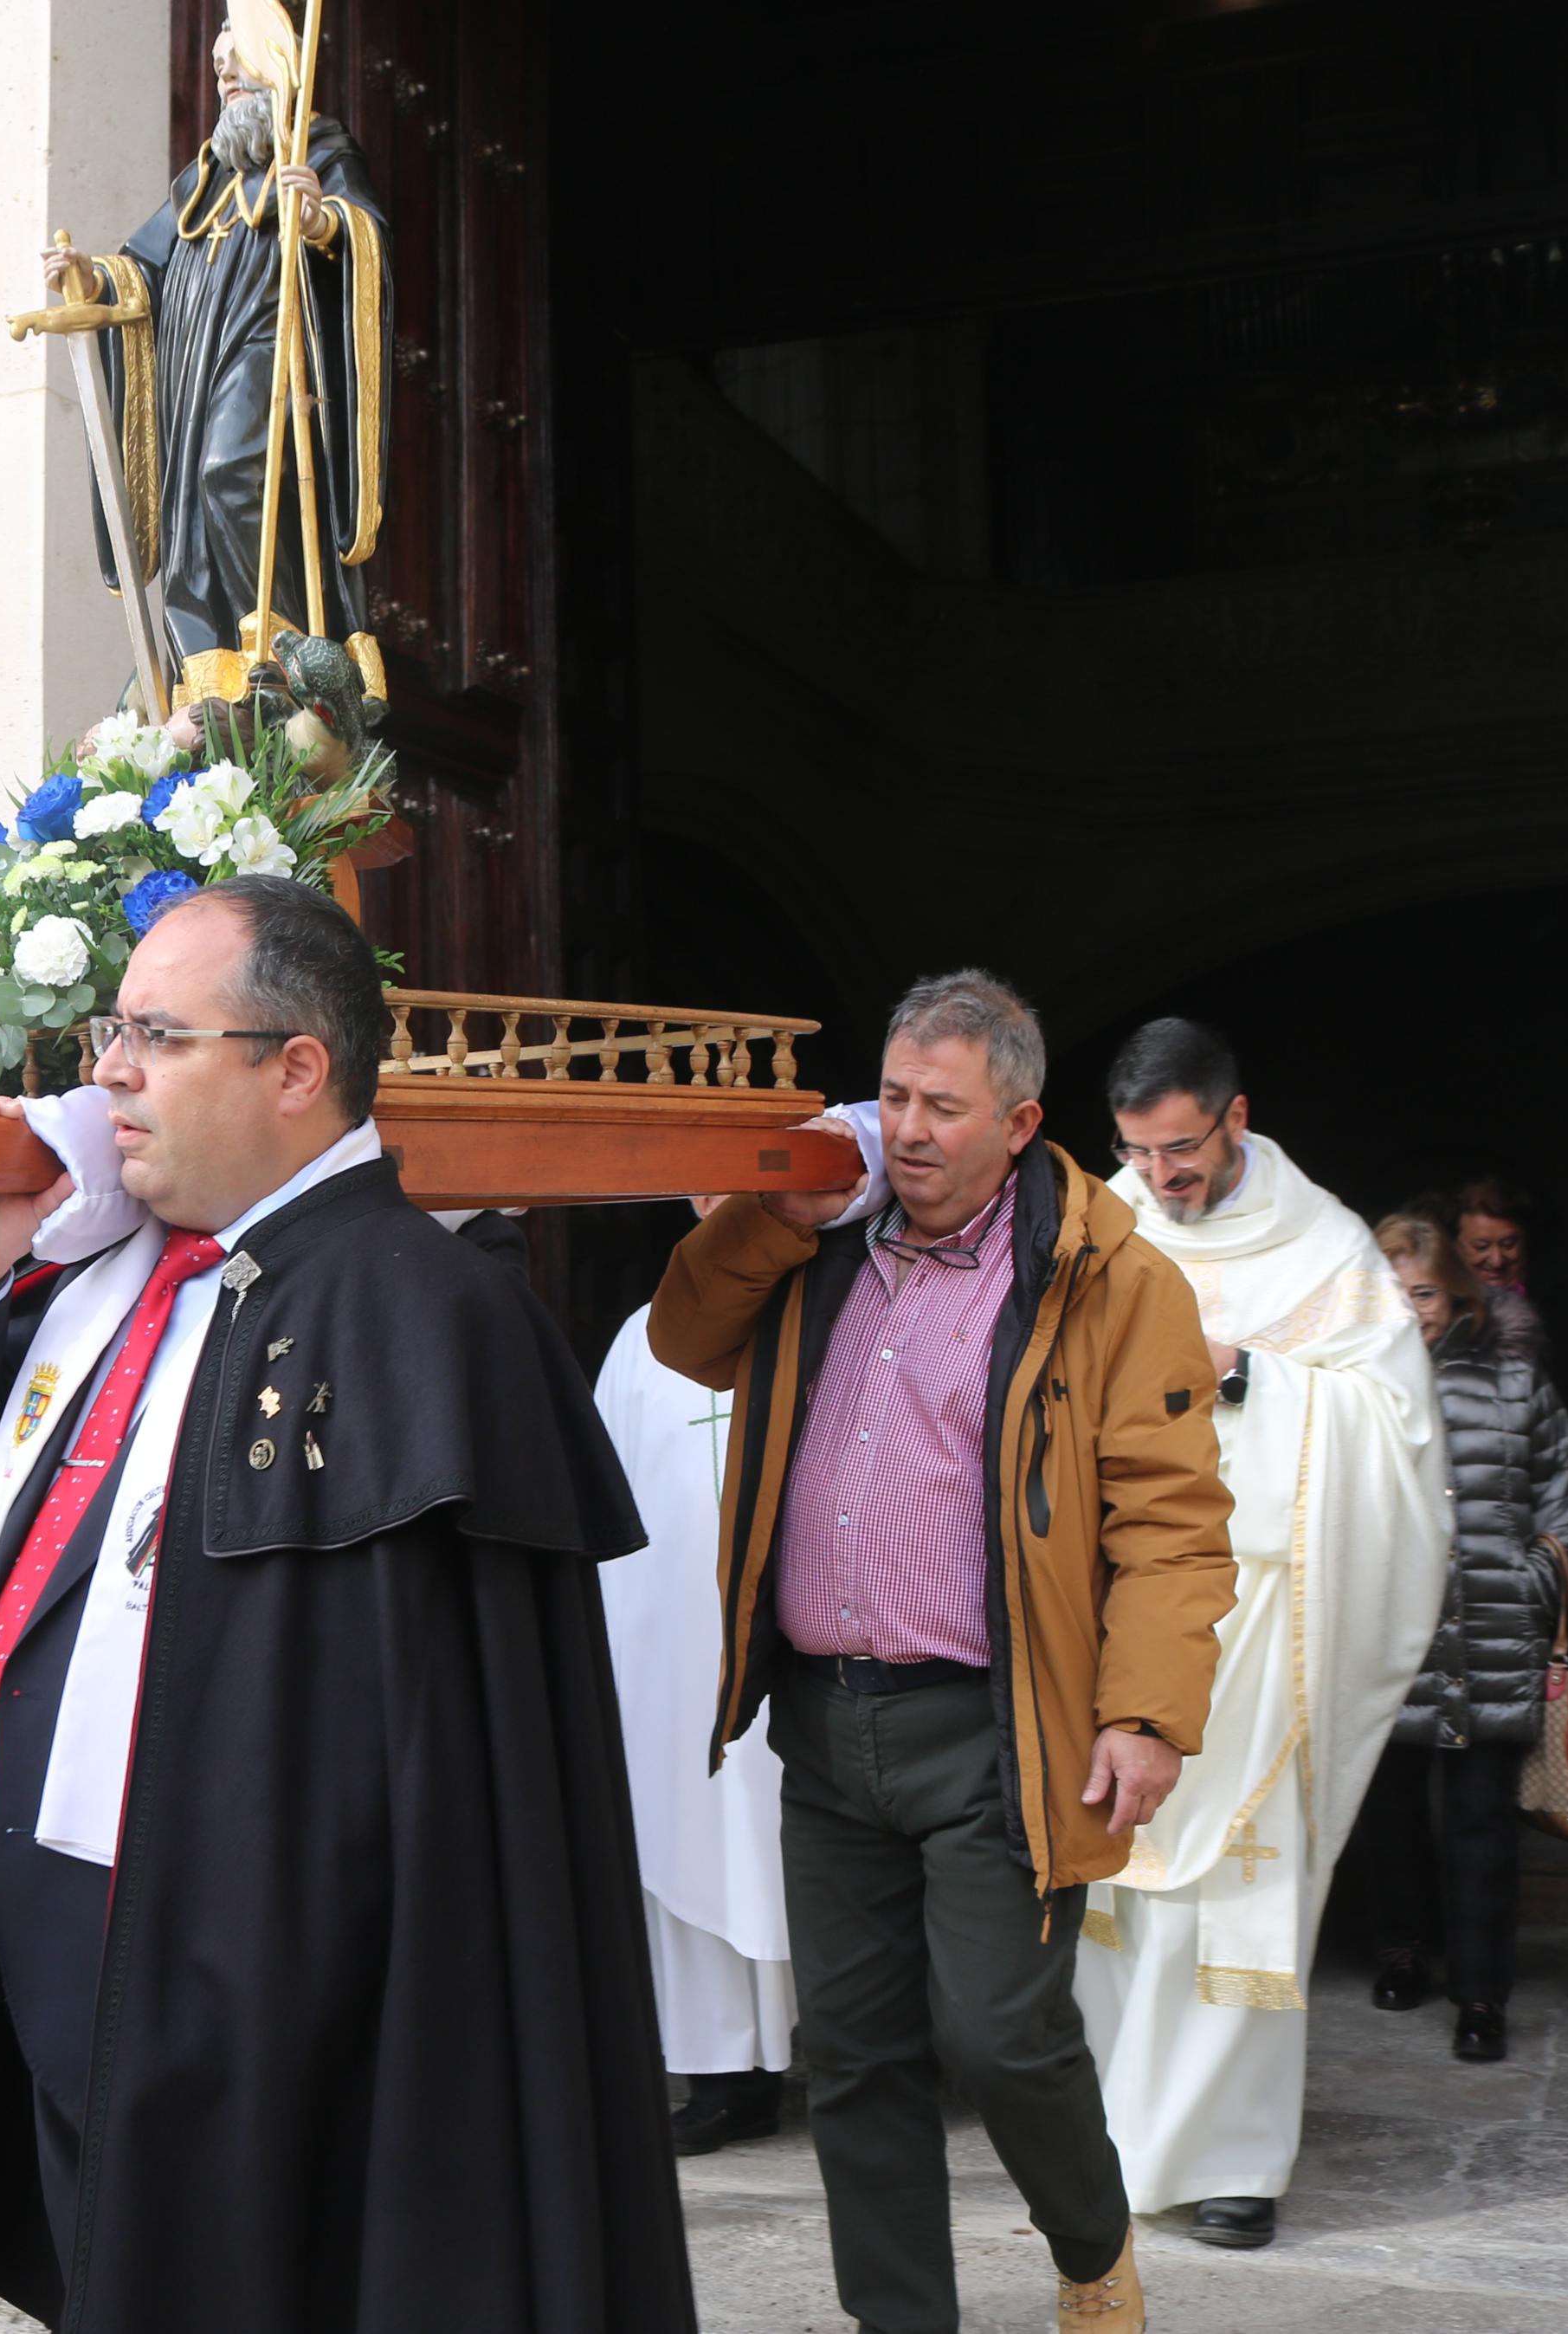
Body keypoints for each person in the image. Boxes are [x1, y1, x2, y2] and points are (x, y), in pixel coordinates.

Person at [0, 875, 694, 2331]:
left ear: (295, 1068)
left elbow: (435, 1772)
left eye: (155, 1035)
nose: (108, 1073)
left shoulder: (428, 1316)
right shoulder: (103, 1270)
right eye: (108, 1033)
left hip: (244, 1969)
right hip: (47, 1904)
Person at [650, 968, 1238, 2334]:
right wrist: (770, 1211)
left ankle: (1089, 2244)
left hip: (995, 1724)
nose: (903, 1129)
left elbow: (1171, 1520)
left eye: (941, 1107)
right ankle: (895, 2316)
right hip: (821, 1717)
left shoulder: (1106, 1277)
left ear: (1019, 1121)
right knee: (851, 2054)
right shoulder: (817, 1236)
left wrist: (1144, 1712)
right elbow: (686, 1338)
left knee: (1000, 2034)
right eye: (893, 1095)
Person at [1079, 1018, 1449, 2251]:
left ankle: (1230, 2161)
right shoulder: (1102, 1223)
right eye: (1137, 1149)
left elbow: (1395, 1430)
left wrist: (1247, 1370)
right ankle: (1105, 2135)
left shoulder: (1326, 1245)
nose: (1160, 1175)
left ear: (1234, 1117)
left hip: (1265, 1619)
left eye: (1179, 1148)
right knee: (1115, 1876)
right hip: (1121, 1601)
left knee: (1238, 1886)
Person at [45, 3, 388, 666]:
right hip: (196, 369)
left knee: (229, 472)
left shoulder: (319, 153)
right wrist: (92, 277)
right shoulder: (202, 179)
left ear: (277, 67)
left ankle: (286, 644)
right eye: (220, 73)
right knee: (194, 506)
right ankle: (213, 659)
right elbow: (142, 267)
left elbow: (360, 235)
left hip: (271, 348)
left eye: (240, 68)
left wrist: (321, 223)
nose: (227, 80)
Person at [1355, 1214, 1568, 2061]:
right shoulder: (1344, 1384)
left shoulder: (1513, 1383)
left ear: (1455, 1291)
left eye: (1420, 1289)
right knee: (1385, 1813)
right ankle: (1398, 1950)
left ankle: (1480, 1991)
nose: (1407, 1307)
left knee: (1479, 1823)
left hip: (1491, 1629)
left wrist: (1533, 1590)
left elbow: (1565, 1504)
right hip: (1381, 1636)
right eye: (1389, 1287)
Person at [591, 1292, 798, 2156]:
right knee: (689, 1835)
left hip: (795, 1629)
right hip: (672, 1638)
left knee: (801, 1841)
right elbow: (604, 1490)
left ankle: (869, 2056)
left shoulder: (824, 1304)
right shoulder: (644, 1333)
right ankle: (720, 2075)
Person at [1450, 1175, 1557, 1371]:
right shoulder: (1444, 1314)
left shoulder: (1556, 1304)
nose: (1497, 1261)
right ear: (1456, 1247)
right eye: (1481, 1247)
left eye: (1509, 1245)